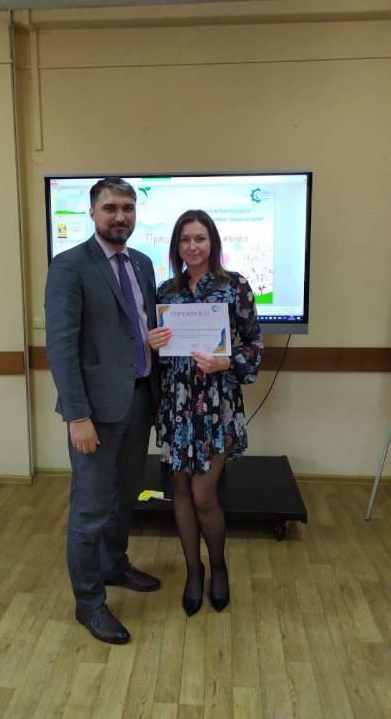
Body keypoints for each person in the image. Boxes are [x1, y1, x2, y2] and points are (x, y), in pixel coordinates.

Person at [45, 177, 160, 645]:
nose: (120, 216)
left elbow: (140, 329)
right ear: (92, 212)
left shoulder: (143, 263)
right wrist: (77, 416)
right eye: (110, 207)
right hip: (93, 412)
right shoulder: (70, 266)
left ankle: (114, 565)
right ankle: (89, 603)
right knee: (90, 509)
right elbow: (61, 346)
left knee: (124, 496)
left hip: (139, 400)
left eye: (127, 207)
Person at [148, 209, 263, 615]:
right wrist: (151, 342)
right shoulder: (167, 291)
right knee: (180, 491)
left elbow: (255, 346)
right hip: (177, 406)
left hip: (217, 407)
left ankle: (218, 567)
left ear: (212, 242)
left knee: (203, 493)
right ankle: (193, 571)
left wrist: (226, 362)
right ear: (176, 246)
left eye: (200, 238)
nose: (192, 246)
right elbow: (157, 354)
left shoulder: (235, 287)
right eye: (185, 239)